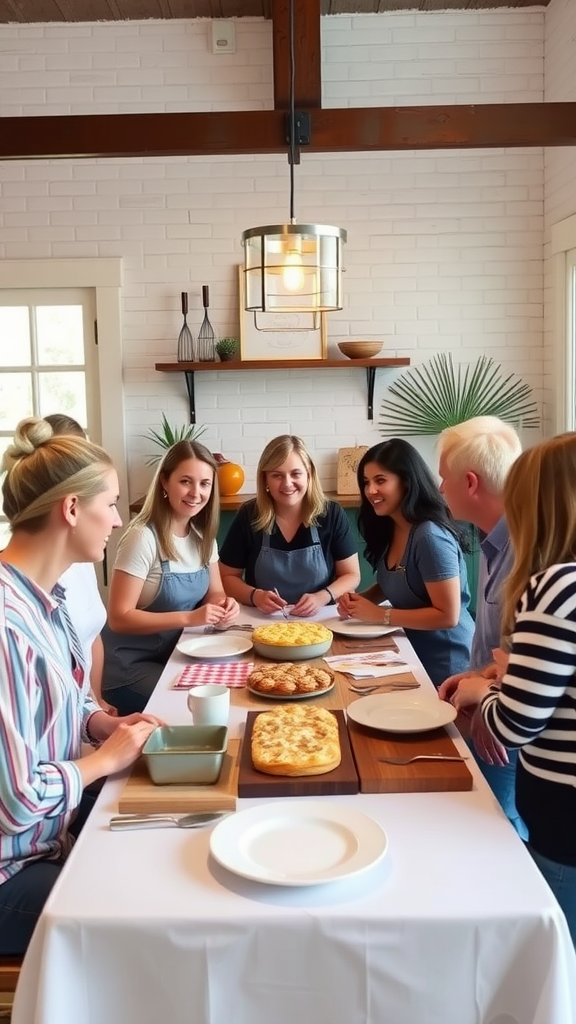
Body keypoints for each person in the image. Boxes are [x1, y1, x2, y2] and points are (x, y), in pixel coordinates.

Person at [0, 417, 162, 955]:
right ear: (71, 509)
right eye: (111, 503)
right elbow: (17, 804)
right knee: (151, 927)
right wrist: (104, 758)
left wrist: (101, 724)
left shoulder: (49, 600)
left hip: (47, 841)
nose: (118, 520)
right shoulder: (7, 624)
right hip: (13, 872)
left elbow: (62, 703)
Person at [443, 433, 576, 946]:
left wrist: (483, 692)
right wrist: (503, 673)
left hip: (565, 826)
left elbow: (513, 725)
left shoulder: (557, 586)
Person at [436, 416, 526, 837]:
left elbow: (533, 669)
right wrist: (474, 676)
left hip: (512, 734)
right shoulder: (493, 540)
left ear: (470, 483)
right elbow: (502, 647)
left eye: (443, 478)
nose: (439, 489)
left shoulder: (529, 553)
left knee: (498, 829)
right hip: (485, 707)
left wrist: (485, 690)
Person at [102, 440, 238, 714]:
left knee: (231, 689)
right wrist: (190, 618)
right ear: (165, 481)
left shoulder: (202, 537)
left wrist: (224, 606)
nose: (196, 493)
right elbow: (119, 617)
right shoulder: (142, 537)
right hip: (129, 669)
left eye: (205, 484)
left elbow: (216, 592)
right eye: (185, 481)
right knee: (199, 704)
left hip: (175, 657)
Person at [337, 438, 474, 686]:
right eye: (366, 482)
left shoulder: (430, 537)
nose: (370, 491)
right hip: (409, 651)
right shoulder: (392, 526)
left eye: (380, 481)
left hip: (446, 664)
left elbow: (448, 616)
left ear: (407, 481)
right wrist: (362, 601)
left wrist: (380, 614)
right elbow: (396, 579)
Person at [219, 435, 360, 616]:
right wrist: (255, 596)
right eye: (277, 475)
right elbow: (227, 577)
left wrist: (322, 597)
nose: (287, 483)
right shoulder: (249, 515)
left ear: (309, 474)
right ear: (265, 480)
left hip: (321, 619)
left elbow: (351, 575)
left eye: (295, 474)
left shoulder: (331, 514)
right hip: (262, 621)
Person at [44, 413, 115, 715]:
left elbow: (90, 637)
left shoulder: (83, 557)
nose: (117, 520)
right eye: (111, 504)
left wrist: (94, 707)